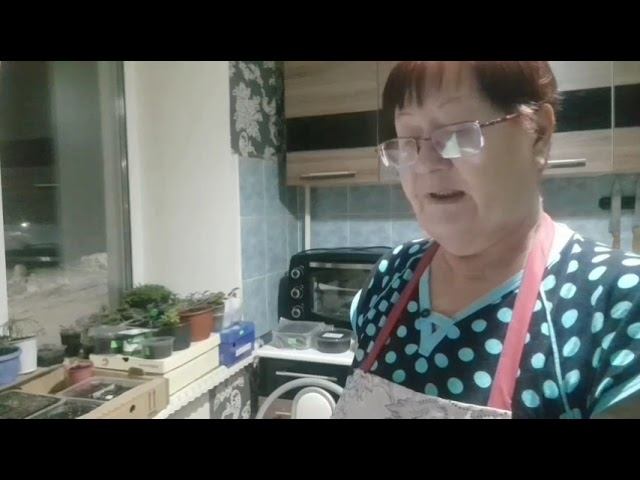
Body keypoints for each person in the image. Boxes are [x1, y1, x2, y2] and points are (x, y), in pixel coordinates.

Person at [337, 61, 640, 419]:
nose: (426, 164)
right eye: (408, 140)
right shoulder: (392, 273)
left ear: (538, 134)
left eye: (457, 133)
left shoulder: (618, 301)